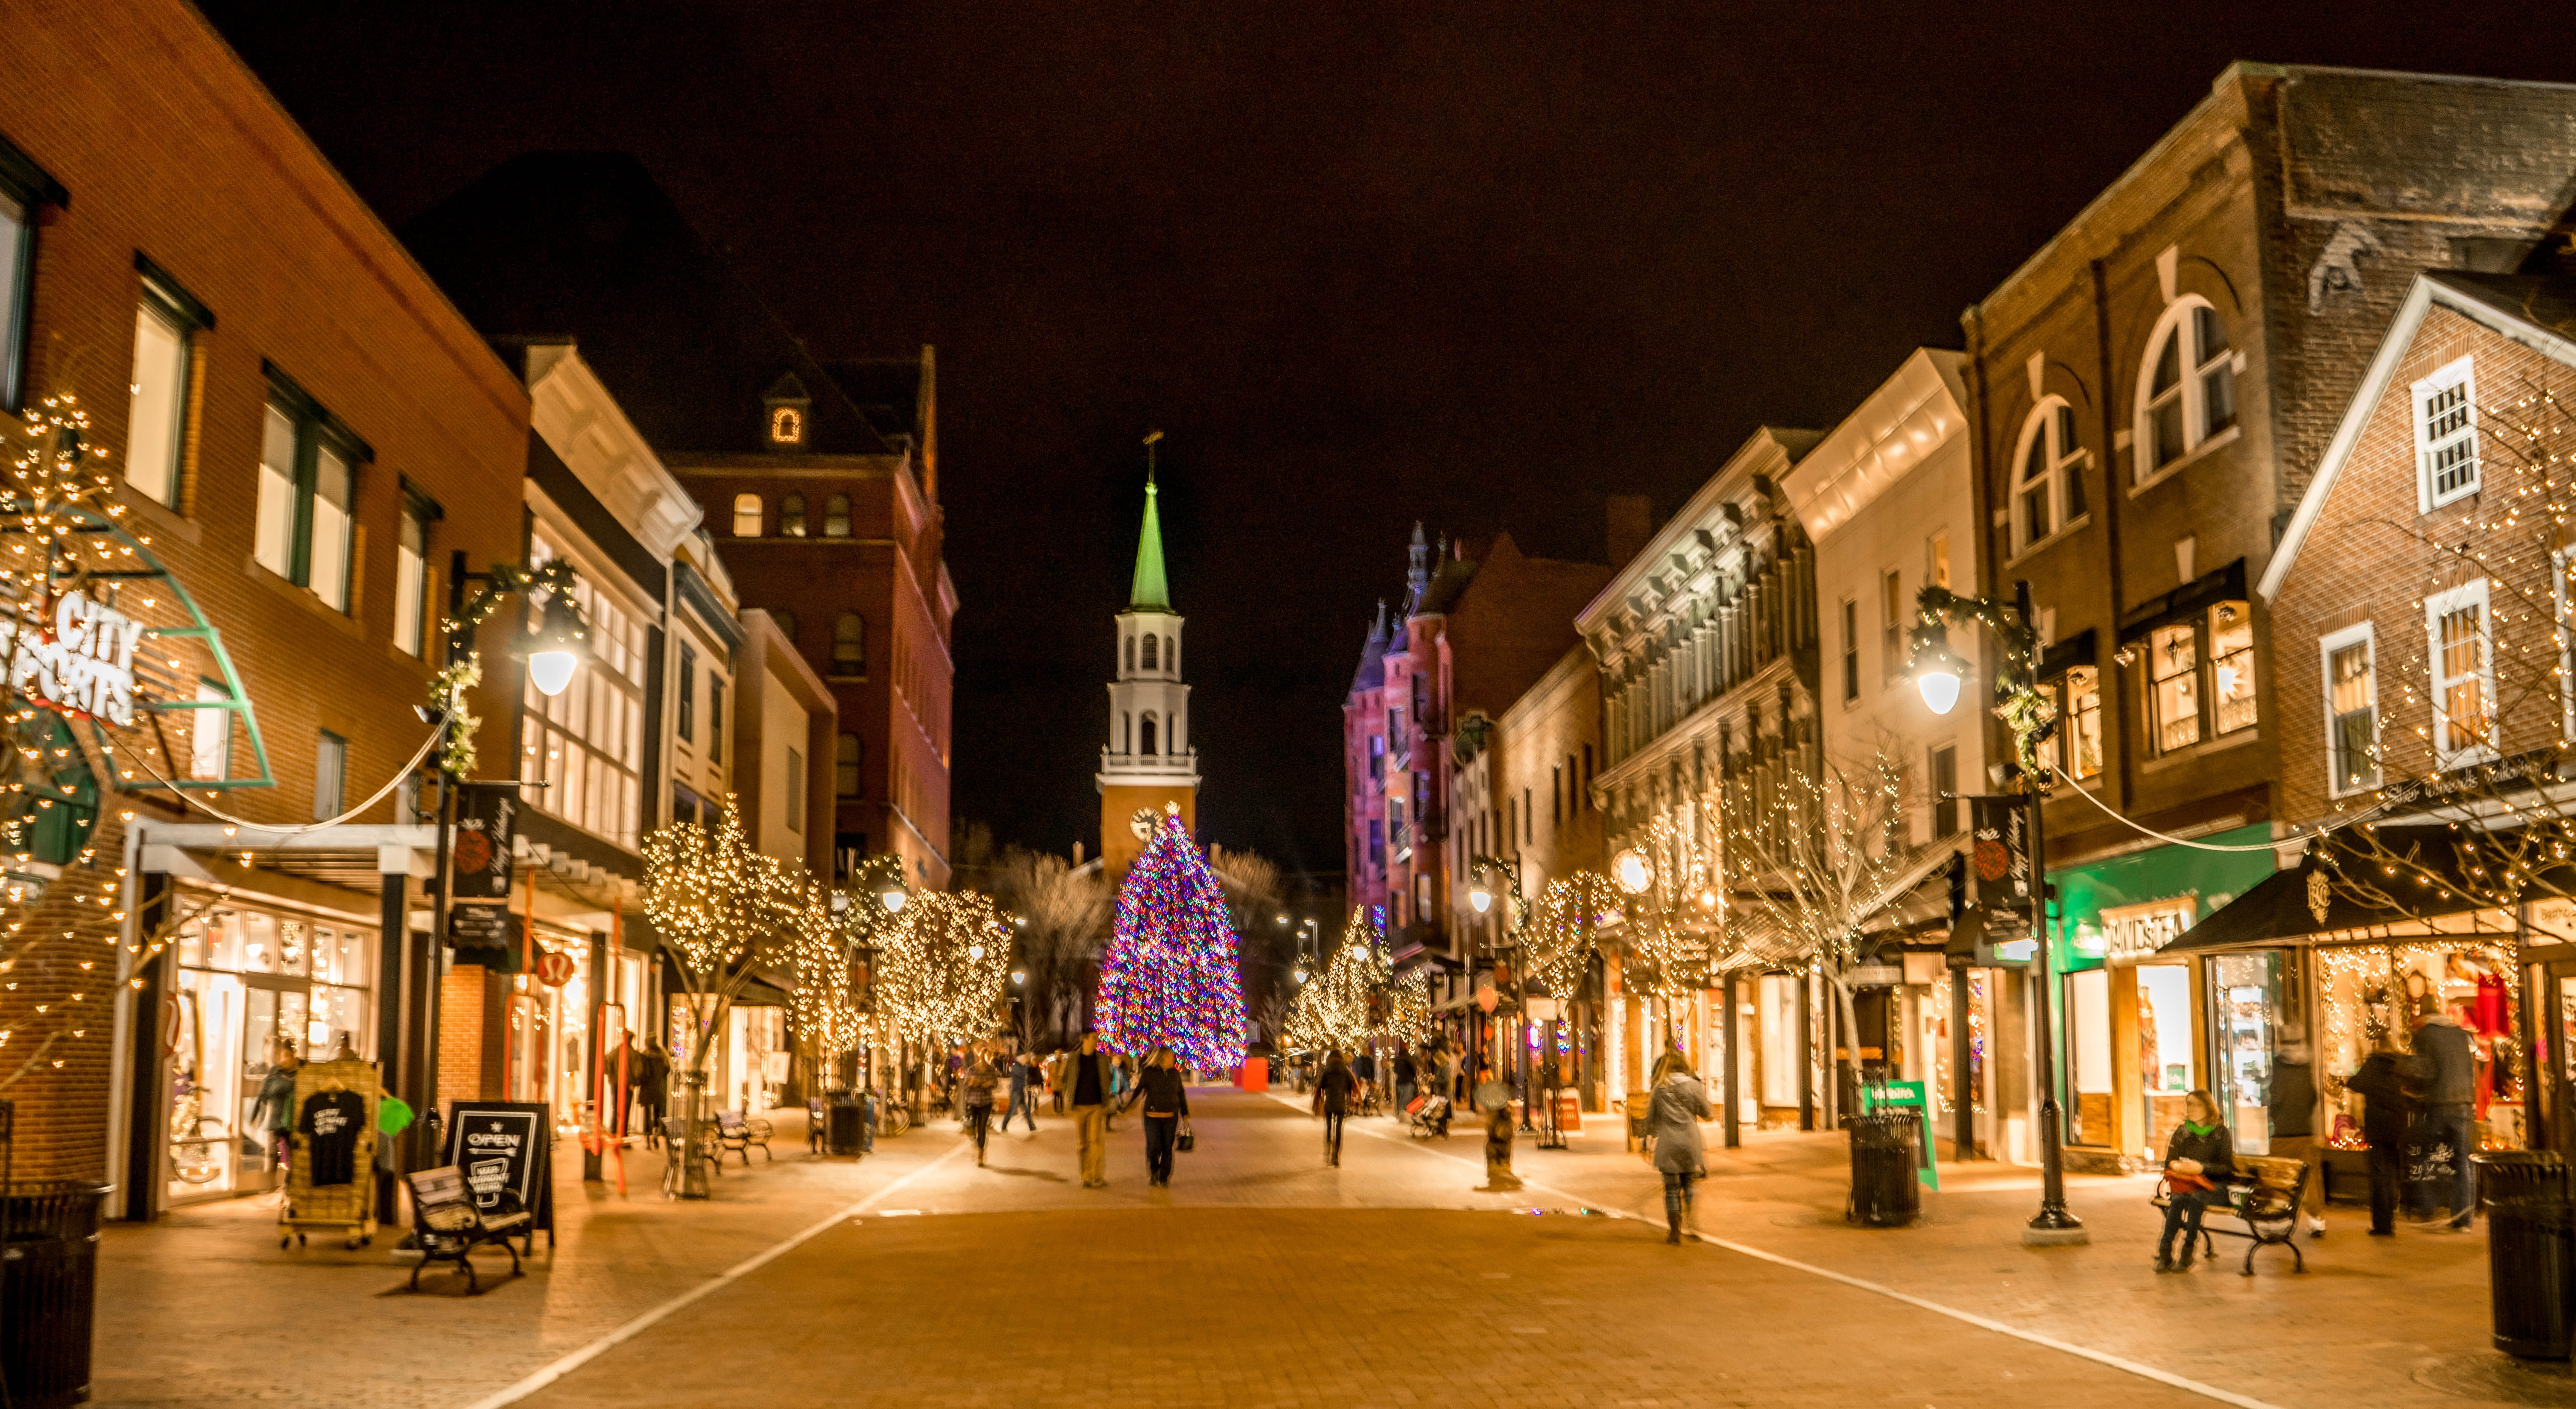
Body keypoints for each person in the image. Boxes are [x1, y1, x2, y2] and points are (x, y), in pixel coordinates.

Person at [2154, 1089, 2236, 1272]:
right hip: (2188, 1184)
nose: (2191, 1109)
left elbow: (2227, 1168)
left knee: (2195, 1199)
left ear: (2207, 1107)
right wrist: (2177, 1166)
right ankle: (2165, 1252)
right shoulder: (2183, 1131)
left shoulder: (2220, 1133)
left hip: (2215, 1187)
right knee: (2178, 1200)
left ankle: (2187, 1252)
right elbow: (2169, 1161)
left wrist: (2201, 1168)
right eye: (2189, 1104)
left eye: (2196, 1105)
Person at [2413, 1005, 2479, 1230]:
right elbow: (2471, 1066)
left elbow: (2423, 1070)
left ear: (2424, 1017)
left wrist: (2415, 1090)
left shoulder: (2424, 1035)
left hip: (2438, 1102)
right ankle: (2464, 1219)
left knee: (2425, 1155)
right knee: (2463, 1160)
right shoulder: (2461, 1034)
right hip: (2463, 1102)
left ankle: (2427, 1208)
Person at [2346, 1029, 2416, 1236]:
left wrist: (2348, 1078)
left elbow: (2356, 1084)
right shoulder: (2401, 1063)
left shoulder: (2374, 1064)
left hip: (2378, 1128)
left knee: (2380, 1176)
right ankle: (2397, 1209)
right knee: (2394, 1172)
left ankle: (2383, 1224)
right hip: (2399, 1126)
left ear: (2376, 1045)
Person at [1647, 1054, 1712, 1243]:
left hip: (1668, 1143)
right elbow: (1707, 1113)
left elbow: (1651, 1119)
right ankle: (1691, 1222)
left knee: (1671, 1188)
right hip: (1690, 1142)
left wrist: (1648, 1138)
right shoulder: (1694, 1086)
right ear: (1685, 1066)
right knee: (1689, 1183)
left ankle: (1675, 1231)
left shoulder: (1659, 1089)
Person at [2265, 1040, 2326, 1238]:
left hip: (2284, 1132)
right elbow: (2313, 1097)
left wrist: (2276, 1116)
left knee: (2280, 1175)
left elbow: (2277, 1096)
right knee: (2310, 1177)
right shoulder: (2306, 1066)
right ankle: (2317, 1221)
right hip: (2305, 1131)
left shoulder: (2280, 1066)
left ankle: (2279, 1219)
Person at [1129, 1047, 1190, 1186]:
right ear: (1162, 1058)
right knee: (1153, 1146)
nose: (1173, 1059)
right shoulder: (1149, 1072)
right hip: (1152, 1116)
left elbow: (1181, 1093)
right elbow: (1139, 1090)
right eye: (1171, 1057)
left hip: (1171, 1117)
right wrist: (1128, 1106)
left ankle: (1164, 1178)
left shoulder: (1174, 1073)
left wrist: (1185, 1112)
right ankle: (1154, 1171)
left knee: (1167, 1147)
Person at [1068, 1032, 1117, 1188]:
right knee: (1082, 1144)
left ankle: (1097, 1175)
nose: (1097, 1040)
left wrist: (1104, 1093)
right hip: (1079, 1107)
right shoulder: (1073, 1059)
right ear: (1084, 1040)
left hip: (1096, 1106)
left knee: (1095, 1141)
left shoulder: (1101, 1059)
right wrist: (1069, 1095)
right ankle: (1086, 1176)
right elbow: (1065, 1078)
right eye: (1094, 1038)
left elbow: (1109, 1077)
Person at [250, 1038, 302, 1177]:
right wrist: (255, 1118)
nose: (284, 1060)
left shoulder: (301, 1072)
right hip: (278, 1125)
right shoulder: (275, 1072)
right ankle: (270, 1185)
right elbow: (263, 1096)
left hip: (295, 1125)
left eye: (287, 1056)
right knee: (273, 1157)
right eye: (281, 1056)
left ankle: (288, 1185)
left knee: (293, 1160)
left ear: (294, 1056)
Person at [1474, 1060, 1522, 1192]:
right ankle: (1498, 1175)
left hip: (1500, 1135)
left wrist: (1496, 1128)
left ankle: (1500, 1174)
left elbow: (1501, 1117)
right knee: (1495, 1153)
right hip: (1498, 1135)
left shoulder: (1497, 1102)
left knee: (1495, 1153)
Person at [1314, 1050, 1357, 1166]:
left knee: (1329, 1126)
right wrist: (1348, 1099)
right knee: (1339, 1128)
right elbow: (1350, 1085)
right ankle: (1336, 1156)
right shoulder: (1345, 1070)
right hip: (1341, 1103)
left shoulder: (1327, 1070)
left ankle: (1328, 1146)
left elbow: (1321, 1085)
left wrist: (1322, 1097)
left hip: (1329, 1102)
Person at [961, 1046, 1000, 1166]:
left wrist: (990, 1084)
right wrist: (972, 1083)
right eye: (981, 1053)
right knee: (971, 1128)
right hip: (973, 1102)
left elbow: (996, 1084)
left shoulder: (991, 1070)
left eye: (985, 1053)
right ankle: (977, 1146)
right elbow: (965, 1086)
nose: (983, 1055)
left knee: (982, 1128)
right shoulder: (972, 1069)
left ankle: (980, 1156)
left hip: (986, 1103)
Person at [637, 1039, 672, 1148]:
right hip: (658, 1087)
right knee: (657, 1113)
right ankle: (656, 1133)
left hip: (647, 1087)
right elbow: (667, 1069)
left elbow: (641, 1071)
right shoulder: (662, 1056)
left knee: (647, 1113)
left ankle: (648, 1138)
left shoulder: (645, 1056)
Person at [1004, 1051, 1039, 1133]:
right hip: (1016, 1092)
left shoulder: (1023, 1066)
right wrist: (1025, 1065)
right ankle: (1003, 1127)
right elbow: (1022, 1074)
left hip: (1021, 1091)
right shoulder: (1015, 1066)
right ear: (1019, 1058)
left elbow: (1028, 1073)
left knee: (1026, 1111)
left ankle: (1032, 1127)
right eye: (1024, 1057)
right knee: (1011, 1111)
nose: (1025, 1059)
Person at [1392, 1045, 1418, 1120]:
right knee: (1406, 1100)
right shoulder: (1409, 1058)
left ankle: (1401, 1115)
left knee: (1401, 1099)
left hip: (1400, 1082)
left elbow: (1395, 1070)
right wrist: (1413, 1076)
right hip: (1408, 1081)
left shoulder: (1398, 1059)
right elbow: (1414, 1069)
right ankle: (1404, 1116)